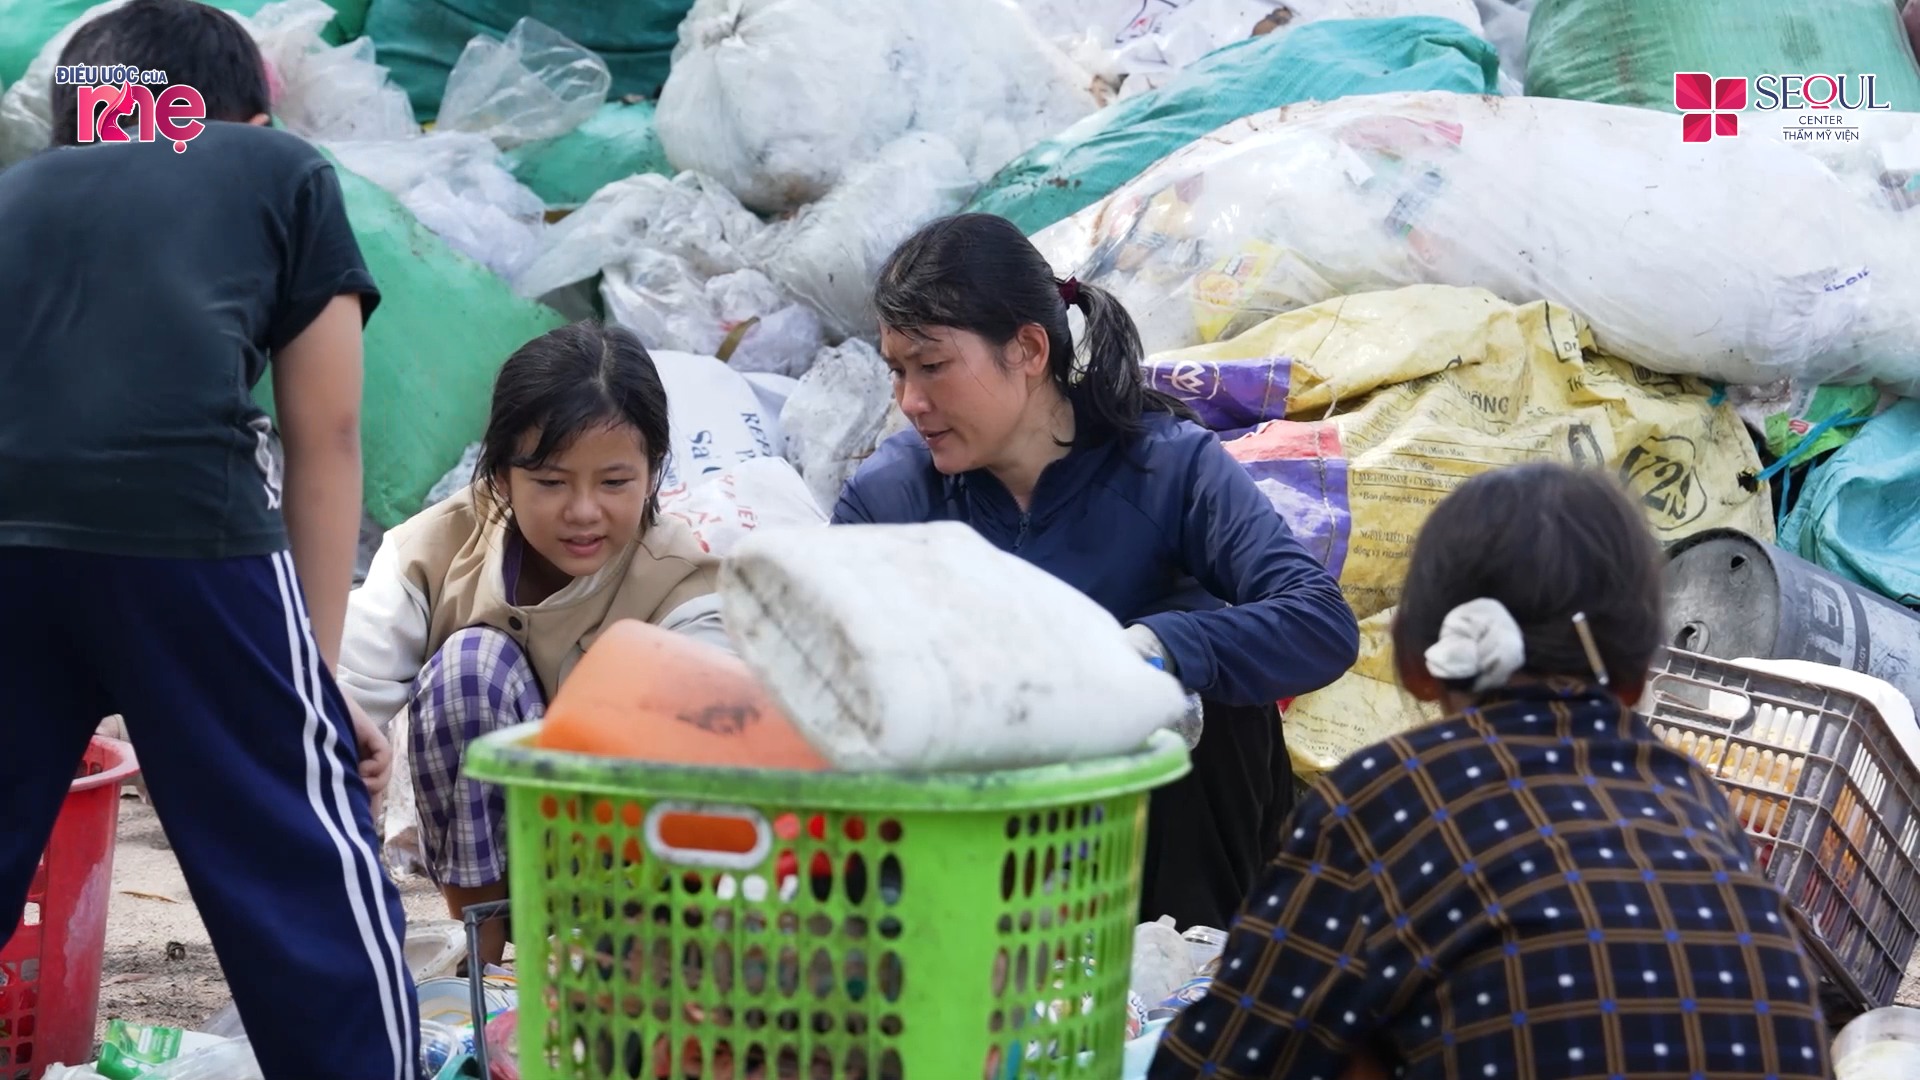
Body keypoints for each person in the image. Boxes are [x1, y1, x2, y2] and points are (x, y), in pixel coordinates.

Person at [0, 2, 419, 1076]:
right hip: (181, 523)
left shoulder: (14, 194)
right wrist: (317, 694)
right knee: (296, 862)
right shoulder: (276, 169)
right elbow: (324, 437)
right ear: (236, 111)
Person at [1149, 463, 1833, 1080]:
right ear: (1634, 676)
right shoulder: (1696, 801)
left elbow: (1217, 1063)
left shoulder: (1389, 797)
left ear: (1421, 661)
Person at [833, 213, 1361, 930]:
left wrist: (1160, 649)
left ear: (1026, 349)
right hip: (979, 849)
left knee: (1205, 699)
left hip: (1163, 851)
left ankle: (1183, 983)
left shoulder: (1167, 468)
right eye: (897, 371)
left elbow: (1320, 625)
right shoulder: (892, 501)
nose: (910, 402)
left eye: (932, 367)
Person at [337, 320, 727, 966]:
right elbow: (336, 692)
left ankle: (618, 969)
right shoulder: (435, 551)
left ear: (653, 472)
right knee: (472, 671)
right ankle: (482, 964)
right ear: (500, 477)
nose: (582, 511)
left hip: (630, 871)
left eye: (614, 482)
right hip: (495, 865)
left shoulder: (682, 581)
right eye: (550, 482)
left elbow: (722, 751)